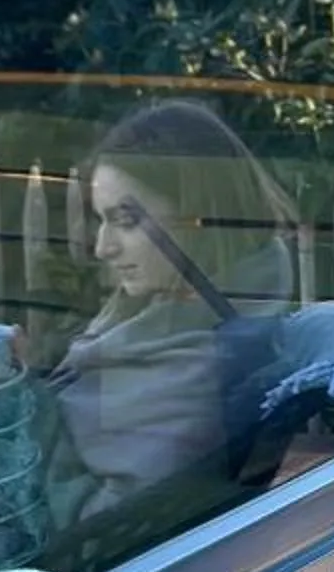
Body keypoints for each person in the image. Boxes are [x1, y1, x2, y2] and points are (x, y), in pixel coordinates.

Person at [39, 100, 302, 543]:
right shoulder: (167, 315)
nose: (103, 247)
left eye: (125, 221)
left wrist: (2, 411)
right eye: (101, 220)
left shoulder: (201, 367)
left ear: (198, 220)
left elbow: (100, 534)